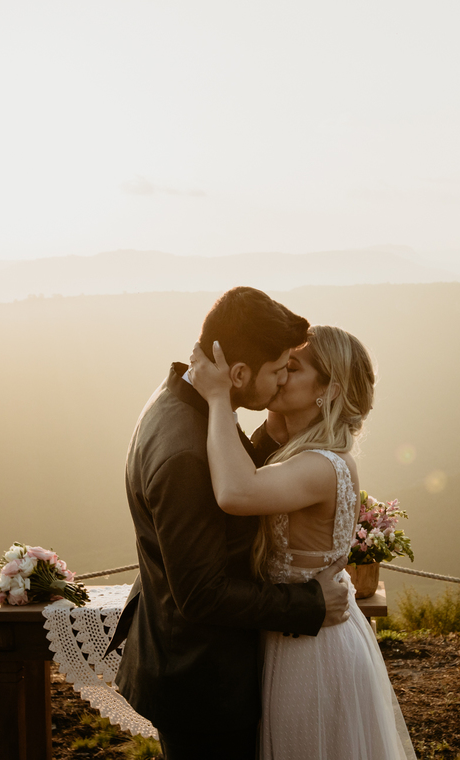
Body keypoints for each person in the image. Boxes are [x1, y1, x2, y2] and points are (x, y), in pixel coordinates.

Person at [112, 287, 352, 760]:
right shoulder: (185, 452)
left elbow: (225, 489)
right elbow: (202, 593)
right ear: (239, 374)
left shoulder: (183, 402)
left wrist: (274, 436)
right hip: (203, 684)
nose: (284, 378)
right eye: (280, 367)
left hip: (198, 669)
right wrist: (308, 604)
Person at [190, 325, 417, 760]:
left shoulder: (322, 466)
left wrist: (219, 399)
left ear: (329, 390)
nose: (278, 375)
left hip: (313, 648)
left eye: (291, 368)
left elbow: (237, 493)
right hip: (296, 633)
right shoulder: (299, 451)